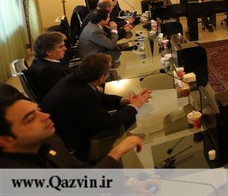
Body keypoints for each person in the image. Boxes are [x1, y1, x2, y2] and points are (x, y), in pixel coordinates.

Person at [41, 53, 152, 161]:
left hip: (65, 125)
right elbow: (109, 123)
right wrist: (135, 106)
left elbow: (99, 96)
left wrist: (124, 100)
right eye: (108, 72)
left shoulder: (77, 77)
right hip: (70, 138)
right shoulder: (82, 95)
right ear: (101, 78)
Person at [0, 88, 147, 169]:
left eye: (38, 110)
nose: (46, 115)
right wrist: (116, 152)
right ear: (5, 140)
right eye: (30, 118)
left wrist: (126, 183)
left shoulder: (50, 139)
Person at [28, 32, 73, 101]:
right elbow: (65, 93)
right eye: (61, 46)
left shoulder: (38, 62)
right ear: (49, 52)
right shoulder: (48, 71)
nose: (65, 48)